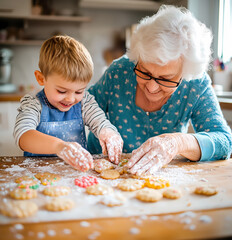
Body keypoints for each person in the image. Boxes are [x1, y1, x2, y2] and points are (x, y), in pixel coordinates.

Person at [87, 5, 232, 176]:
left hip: (163, 179)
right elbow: (81, 104)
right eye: (145, 72)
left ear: (185, 73)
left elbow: (224, 142)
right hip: (97, 174)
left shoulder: (195, 84)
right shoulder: (120, 71)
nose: (151, 87)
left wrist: (177, 142)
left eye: (165, 79)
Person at [14, 35, 123, 172]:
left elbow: (100, 122)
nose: (71, 99)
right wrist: (59, 146)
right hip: (37, 175)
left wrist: (108, 133)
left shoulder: (85, 102)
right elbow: (23, 136)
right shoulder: (33, 104)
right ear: (41, 79)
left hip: (76, 173)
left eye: (79, 91)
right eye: (61, 91)